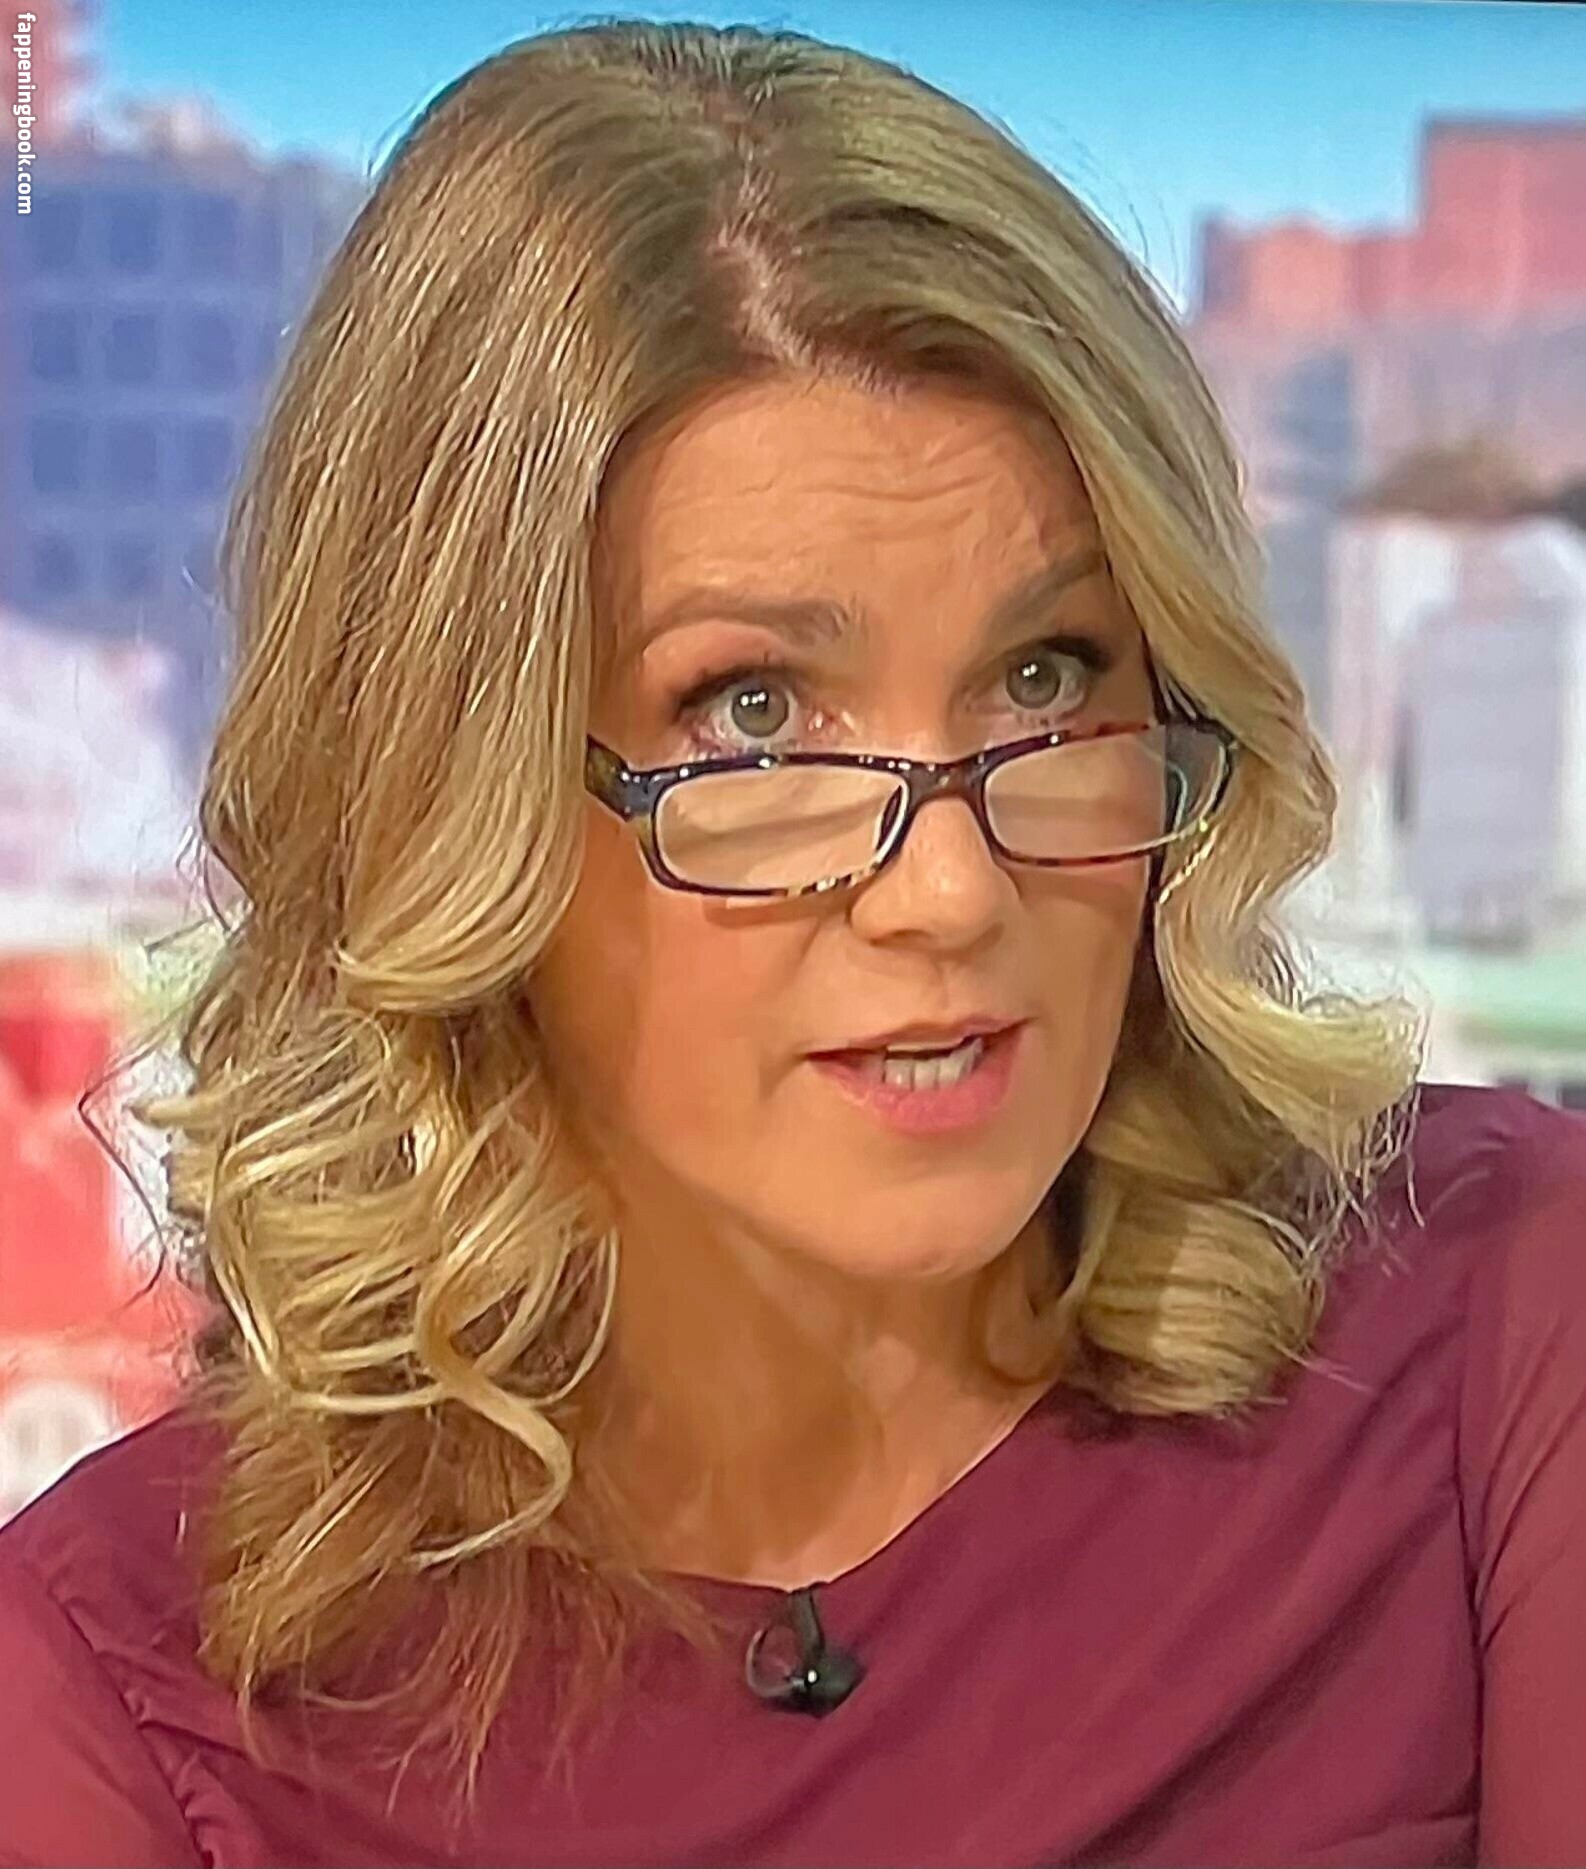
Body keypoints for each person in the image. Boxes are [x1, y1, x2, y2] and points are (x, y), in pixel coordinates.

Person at [1, 17, 1582, 1868]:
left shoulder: (1492, 1318)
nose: (949, 892)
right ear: (447, 794)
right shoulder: (128, 1686)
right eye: (751, 715)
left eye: (1047, 675)